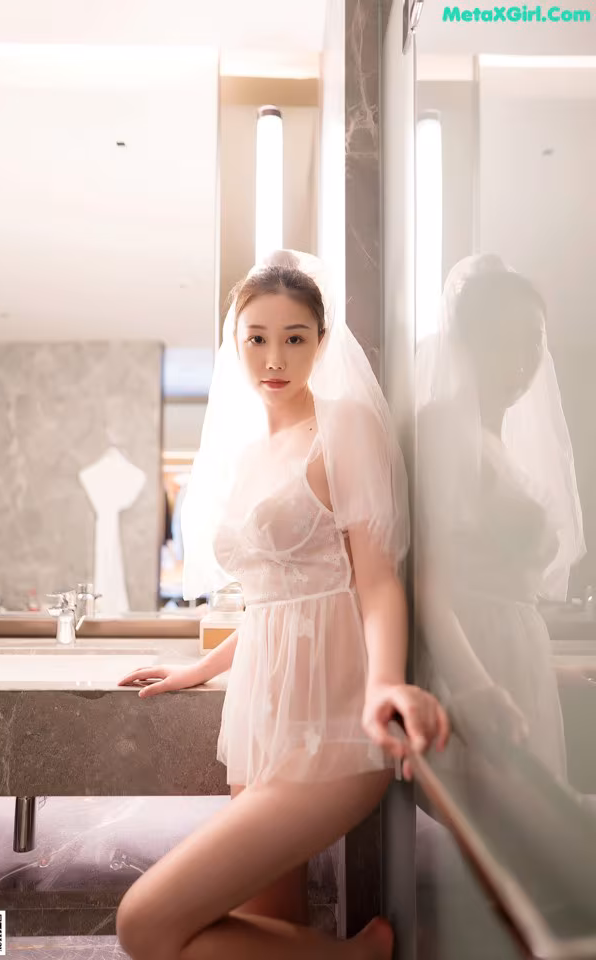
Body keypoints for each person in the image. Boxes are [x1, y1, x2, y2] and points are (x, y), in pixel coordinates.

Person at [116, 250, 449, 960]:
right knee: (269, 931)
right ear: (235, 346)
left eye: (295, 337)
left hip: (333, 726)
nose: (275, 356)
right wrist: (202, 668)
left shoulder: (345, 424)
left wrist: (386, 683)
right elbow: (278, 593)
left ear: (321, 344)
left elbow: (376, 578)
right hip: (262, 717)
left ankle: (359, 956)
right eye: (257, 338)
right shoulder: (249, 455)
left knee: (144, 925)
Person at [415, 254, 585, 779]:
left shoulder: (500, 442)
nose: (523, 356)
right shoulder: (443, 427)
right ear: (467, 341)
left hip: (520, 658)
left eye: (534, 338)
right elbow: (429, 583)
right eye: (504, 337)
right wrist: (474, 687)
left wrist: (549, 665)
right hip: (476, 663)